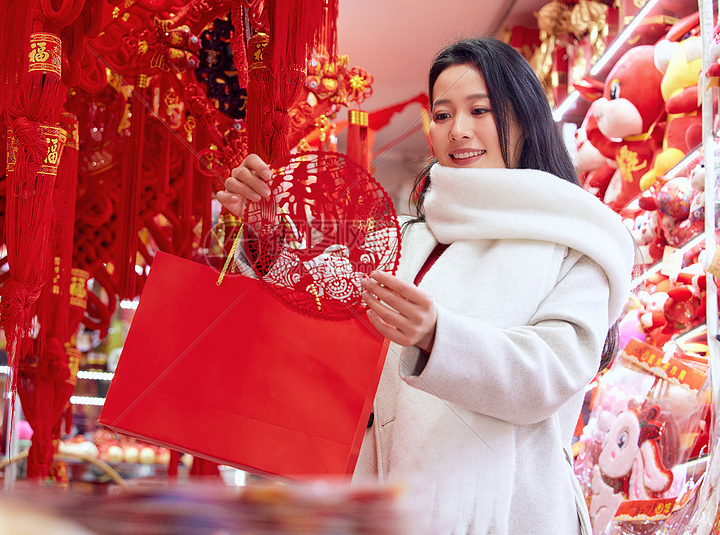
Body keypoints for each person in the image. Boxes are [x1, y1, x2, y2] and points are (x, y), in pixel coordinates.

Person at [217, 37, 635, 535]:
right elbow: (314, 305)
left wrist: (438, 335)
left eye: (480, 110)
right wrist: (266, 231)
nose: (459, 130)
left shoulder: (578, 243)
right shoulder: (405, 236)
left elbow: (548, 373)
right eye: (441, 115)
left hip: (511, 516)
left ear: (524, 119)